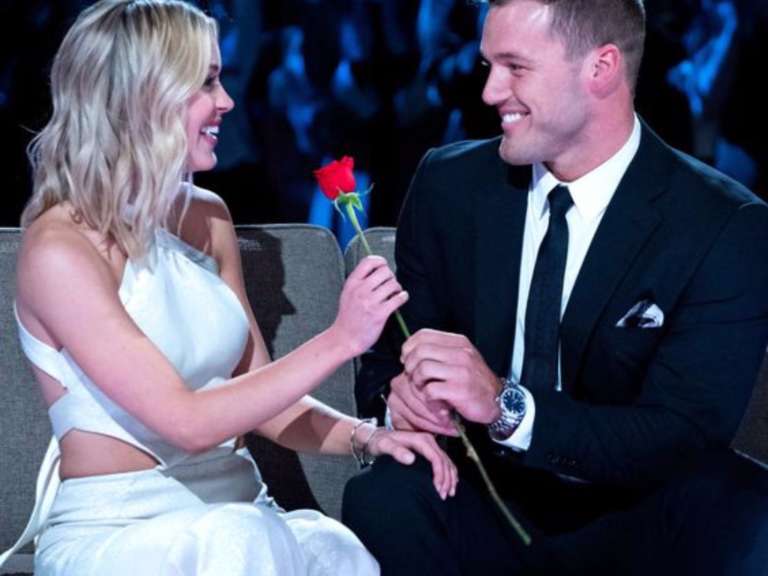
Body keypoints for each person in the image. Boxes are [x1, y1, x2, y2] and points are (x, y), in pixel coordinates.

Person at [0, 1, 459, 575]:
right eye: (206, 82)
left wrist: (367, 436)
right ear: (144, 94)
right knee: (240, 539)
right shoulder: (59, 251)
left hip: (243, 514)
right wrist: (342, 339)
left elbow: (263, 400)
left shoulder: (208, 216)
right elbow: (187, 422)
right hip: (121, 533)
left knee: (332, 548)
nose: (227, 102)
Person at [343, 0, 768, 574]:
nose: (490, 91)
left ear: (601, 68)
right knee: (385, 495)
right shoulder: (449, 184)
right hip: (481, 498)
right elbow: (385, 363)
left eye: (516, 67)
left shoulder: (721, 224)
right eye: (489, 65)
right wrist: (400, 399)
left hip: (634, 513)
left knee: (736, 504)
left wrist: (507, 407)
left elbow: (683, 433)